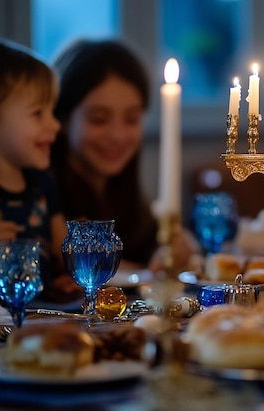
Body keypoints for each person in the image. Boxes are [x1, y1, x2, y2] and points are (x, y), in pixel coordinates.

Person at [51, 39, 199, 273]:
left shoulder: (128, 198)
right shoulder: (44, 202)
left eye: (131, 119)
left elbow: (153, 249)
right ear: (64, 118)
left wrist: (182, 249)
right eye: (98, 119)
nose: (117, 136)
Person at [0, 37, 82, 302]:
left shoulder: (42, 183)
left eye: (52, 112)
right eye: (37, 113)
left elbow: (65, 252)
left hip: (40, 319)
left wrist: (69, 275)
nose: (54, 125)